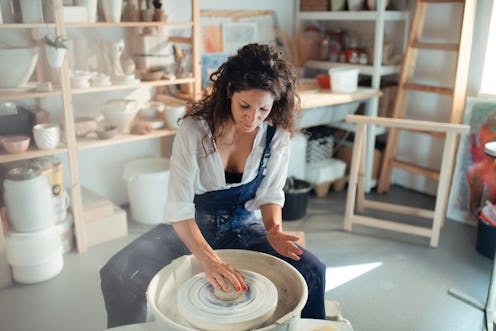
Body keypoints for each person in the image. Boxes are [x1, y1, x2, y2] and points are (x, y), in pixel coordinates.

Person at [100, 43, 327, 328]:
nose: (252, 118)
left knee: (313, 270)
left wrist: (274, 230)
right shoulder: (194, 130)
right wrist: (209, 261)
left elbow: (270, 194)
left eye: (263, 109)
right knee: (118, 272)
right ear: (230, 89)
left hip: (242, 226)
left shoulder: (276, 135)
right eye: (245, 106)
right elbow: (179, 209)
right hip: (189, 227)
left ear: (275, 105)